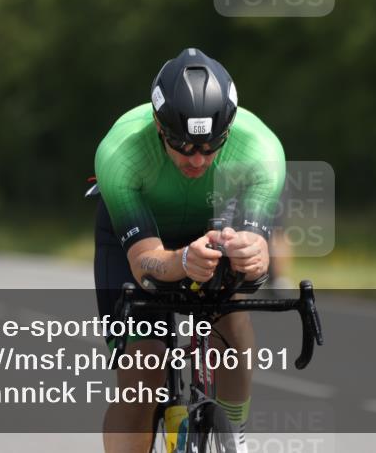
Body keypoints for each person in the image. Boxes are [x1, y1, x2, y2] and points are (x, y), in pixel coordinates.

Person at [93, 47, 285, 453]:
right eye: (182, 145)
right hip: (141, 239)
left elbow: (259, 251)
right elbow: (144, 263)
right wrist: (182, 260)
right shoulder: (121, 152)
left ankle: (234, 435)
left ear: (229, 130)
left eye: (211, 145)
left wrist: (252, 254)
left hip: (213, 225)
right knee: (143, 371)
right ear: (159, 129)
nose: (198, 158)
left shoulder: (261, 150)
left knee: (231, 319)